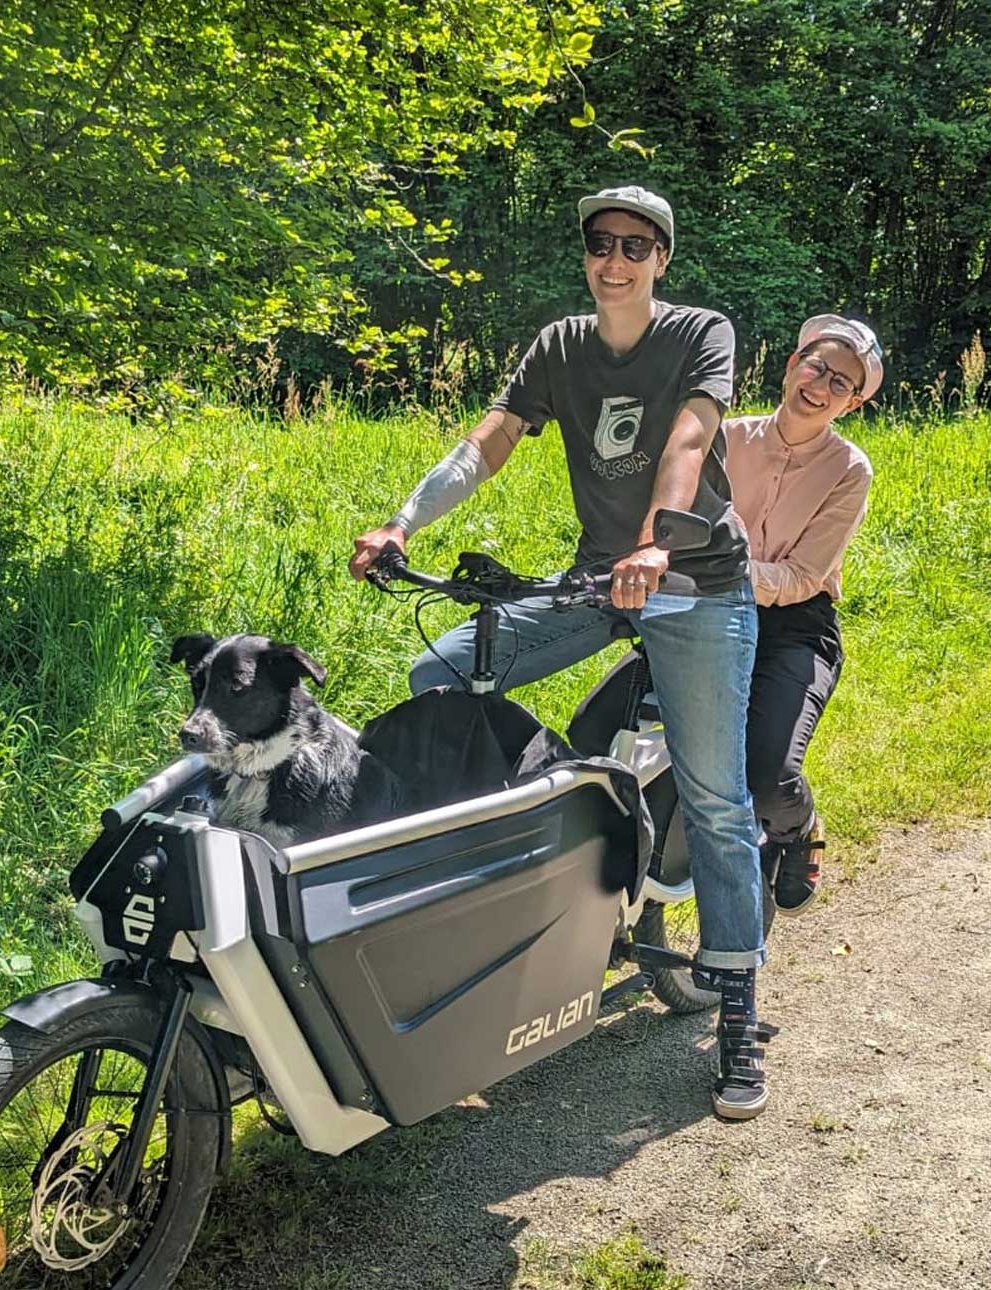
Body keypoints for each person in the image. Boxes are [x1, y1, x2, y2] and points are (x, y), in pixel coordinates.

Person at [350, 186, 775, 1121]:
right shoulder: (559, 345)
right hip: (596, 579)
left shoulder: (702, 330)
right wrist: (403, 522)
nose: (614, 260)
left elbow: (689, 436)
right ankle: (499, 890)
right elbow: (493, 438)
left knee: (715, 793)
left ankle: (739, 1005)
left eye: (635, 246)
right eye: (599, 244)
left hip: (694, 581)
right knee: (444, 672)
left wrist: (661, 537)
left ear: (661, 258)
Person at [725, 315, 882, 915]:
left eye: (842, 383)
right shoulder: (725, 436)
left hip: (794, 626)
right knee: (602, 728)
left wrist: (726, 570)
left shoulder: (848, 470)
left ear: (853, 403)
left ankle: (797, 827)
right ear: (793, 365)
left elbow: (802, 577)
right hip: (702, 608)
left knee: (767, 770)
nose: (823, 383)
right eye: (817, 365)